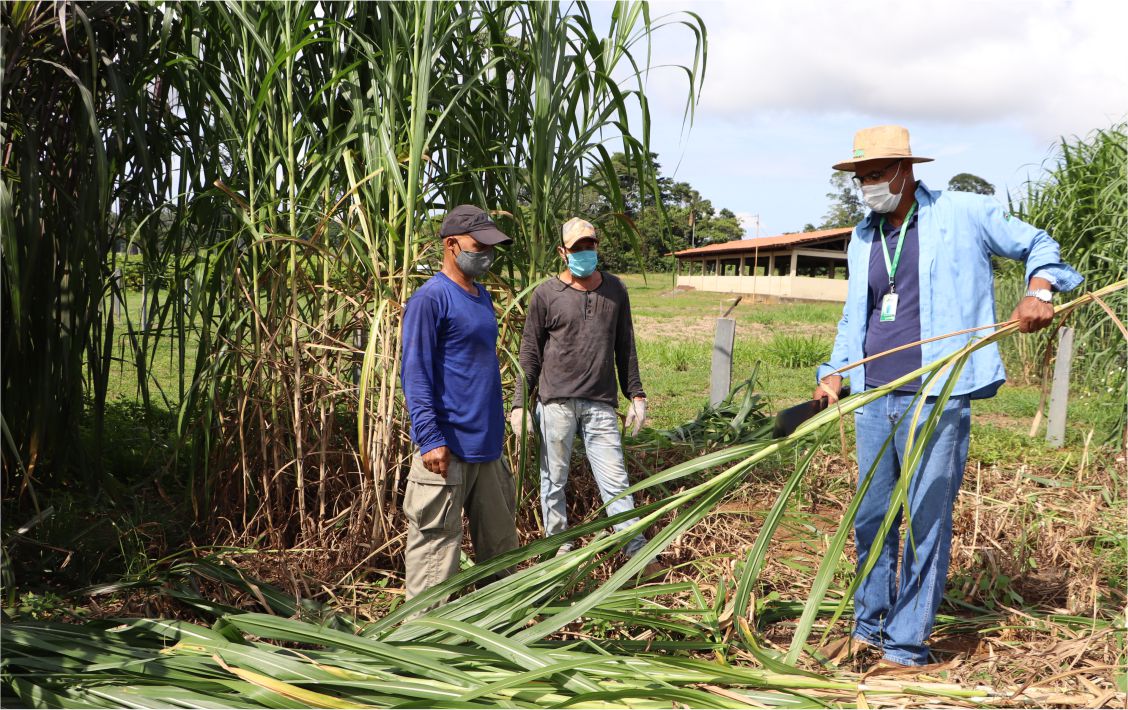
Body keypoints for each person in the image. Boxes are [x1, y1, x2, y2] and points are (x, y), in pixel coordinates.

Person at [814, 125, 1082, 669]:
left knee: (925, 523)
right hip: (875, 395)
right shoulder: (863, 236)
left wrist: (1038, 290)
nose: (866, 185)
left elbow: (1038, 243)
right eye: (859, 176)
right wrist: (834, 372)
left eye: (874, 174)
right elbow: (854, 315)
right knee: (872, 518)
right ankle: (868, 627)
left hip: (937, 395)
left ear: (905, 171)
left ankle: (906, 645)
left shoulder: (963, 212)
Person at [514, 218, 662, 578]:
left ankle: (636, 554)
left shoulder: (615, 291)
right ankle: (558, 548)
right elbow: (530, 351)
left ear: (597, 247)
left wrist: (636, 394)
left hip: (600, 403)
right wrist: (520, 403)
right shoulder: (547, 295)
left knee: (616, 480)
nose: (584, 253)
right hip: (555, 403)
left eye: (589, 246)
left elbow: (625, 345)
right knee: (554, 480)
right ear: (562, 252)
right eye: (576, 248)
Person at [400, 204, 519, 602]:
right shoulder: (430, 299)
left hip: (487, 452)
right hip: (445, 451)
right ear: (451, 245)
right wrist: (430, 438)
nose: (486, 253)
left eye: (490, 246)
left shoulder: (481, 296)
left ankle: (501, 641)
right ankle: (424, 646)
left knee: (501, 558)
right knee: (435, 563)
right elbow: (415, 373)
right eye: (478, 245)